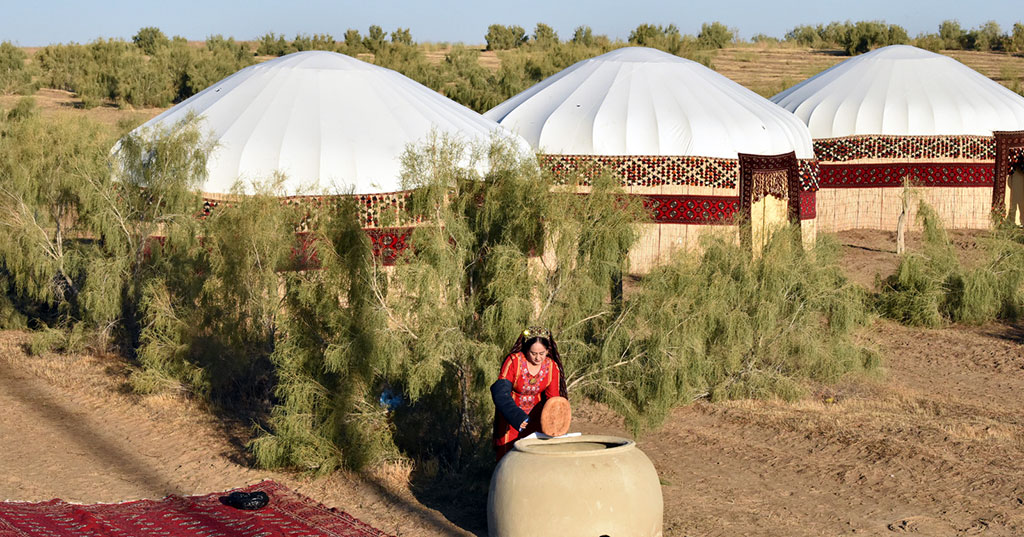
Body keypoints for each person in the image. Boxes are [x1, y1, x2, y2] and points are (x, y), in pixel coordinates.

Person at [490, 326, 568, 461]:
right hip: (511, 419)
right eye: (533, 353)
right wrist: (515, 416)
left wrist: (555, 424)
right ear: (526, 349)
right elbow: (500, 392)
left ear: (548, 351)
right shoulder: (514, 362)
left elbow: (553, 400)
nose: (538, 358)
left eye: (542, 353)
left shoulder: (551, 367)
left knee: (535, 458)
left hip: (537, 420)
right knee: (508, 458)